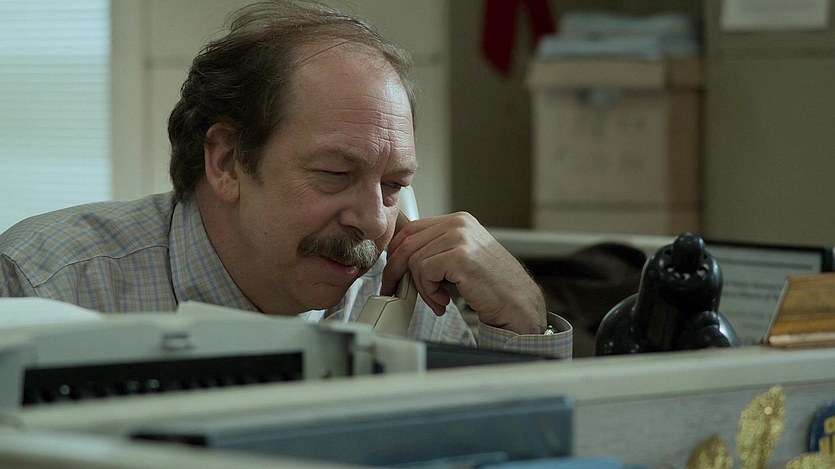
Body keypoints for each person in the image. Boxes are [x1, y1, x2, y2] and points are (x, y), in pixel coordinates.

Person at [0, 0, 571, 358]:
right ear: (226, 162)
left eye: (393, 186)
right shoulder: (47, 284)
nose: (373, 222)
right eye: (334, 174)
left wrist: (524, 322)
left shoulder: (398, 287)